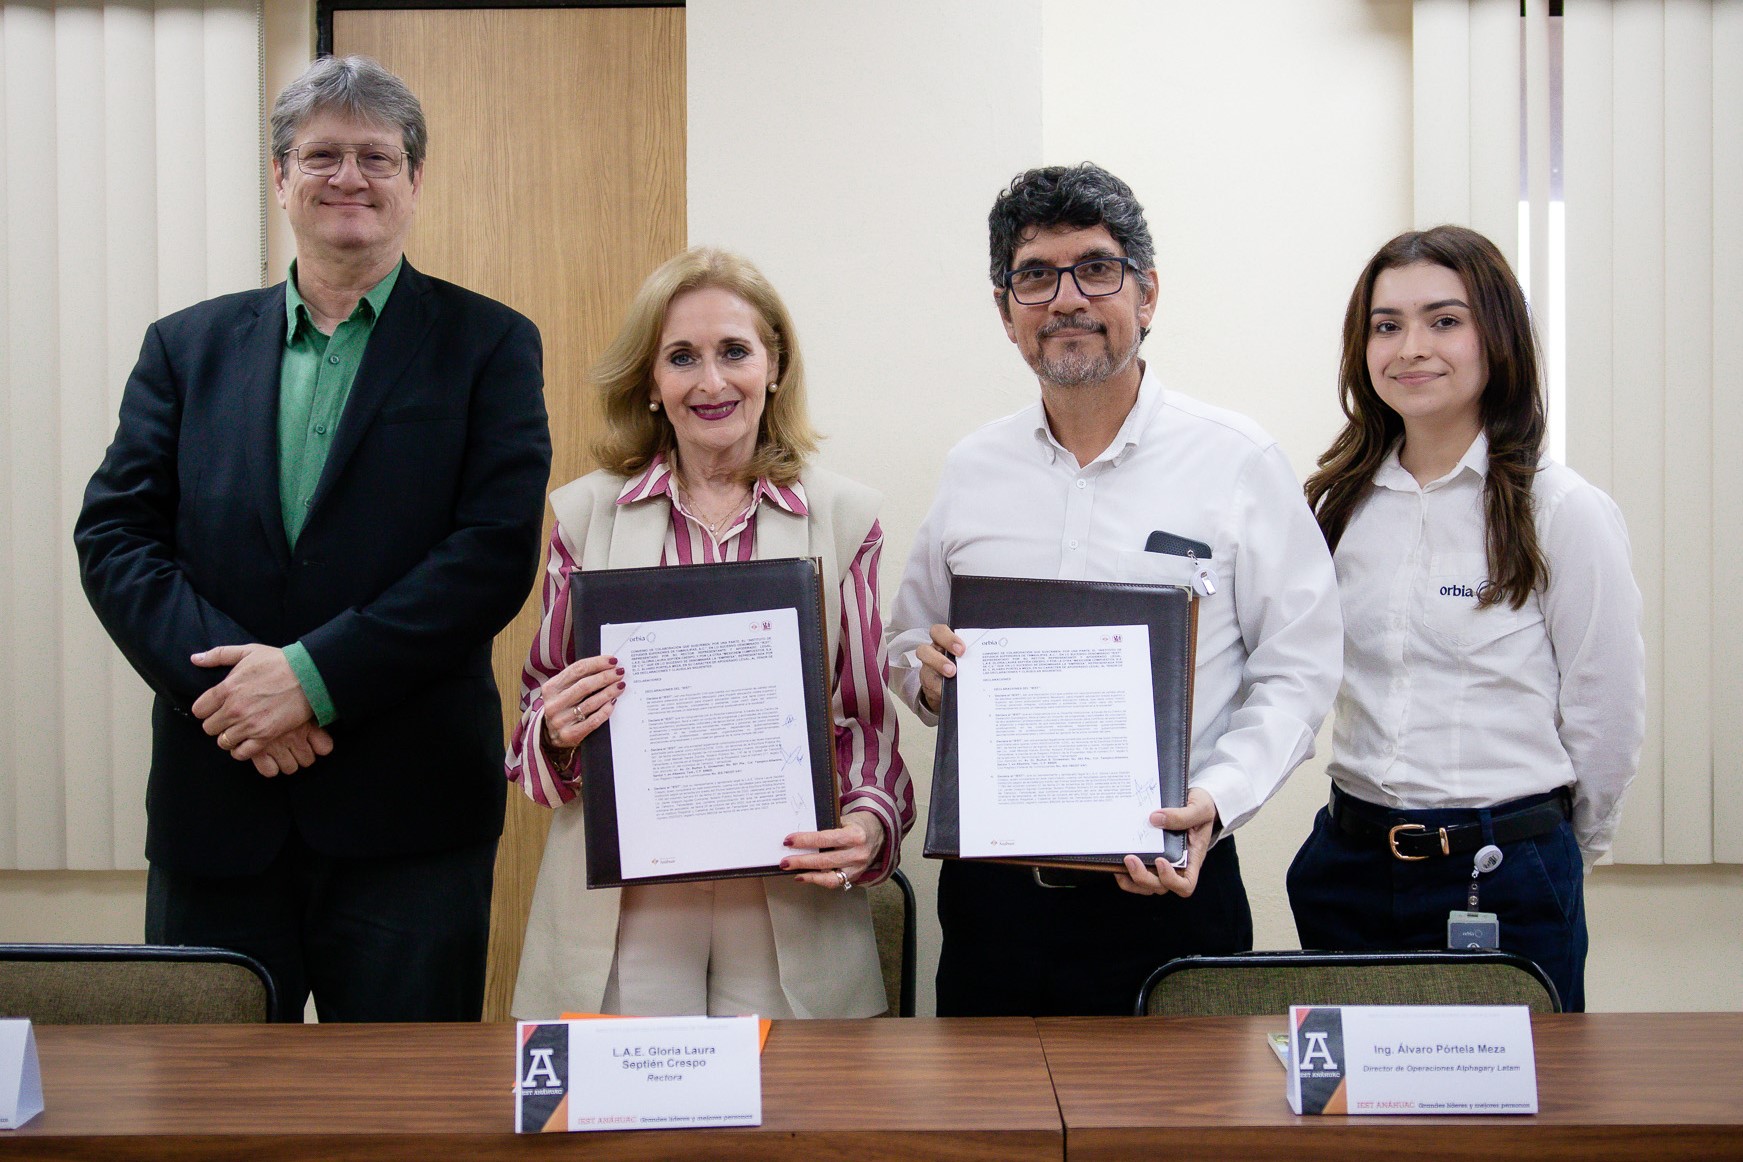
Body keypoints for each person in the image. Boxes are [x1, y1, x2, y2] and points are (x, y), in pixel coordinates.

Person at [73, 56, 550, 1022]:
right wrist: (236, 695)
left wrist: (311, 678)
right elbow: (117, 535)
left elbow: (491, 551)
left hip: (410, 816)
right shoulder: (185, 347)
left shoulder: (490, 344)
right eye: (321, 155)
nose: (349, 179)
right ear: (281, 179)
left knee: (405, 1113)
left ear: (415, 182)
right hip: (221, 802)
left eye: (376, 157)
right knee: (210, 1112)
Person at [887, 163, 1343, 1017]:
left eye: (1096, 269)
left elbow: (1301, 669)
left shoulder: (1236, 461)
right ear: (1004, 311)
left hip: (1172, 891)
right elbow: (905, 642)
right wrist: (925, 670)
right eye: (1034, 276)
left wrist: (1219, 799)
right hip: (996, 904)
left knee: (1179, 1144)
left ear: (1147, 293)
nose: (1066, 298)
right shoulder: (972, 468)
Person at [508, 247, 912, 1019]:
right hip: (626, 904)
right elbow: (534, 718)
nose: (711, 381)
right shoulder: (585, 516)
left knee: (789, 1131)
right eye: (681, 357)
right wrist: (557, 731)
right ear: (651, 383)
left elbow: (861, 721)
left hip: (787, 896)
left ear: (775, 366)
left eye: (734, 351)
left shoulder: (843, 517)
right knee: (630, 1128)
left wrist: (866, 824)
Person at [1285, 225, 1644, 1012]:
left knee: (1509, 1126)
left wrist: (1554, 852)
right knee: (1351, 1122)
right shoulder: (1333, 506)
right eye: (1387, 325)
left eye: (1444, 320)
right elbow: (1291, 674)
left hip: (1500, 874)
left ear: (1497, 336)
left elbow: (1604, 712)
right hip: (1347, 865)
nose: (1411, 347)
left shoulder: (1560, 510)